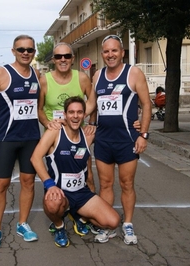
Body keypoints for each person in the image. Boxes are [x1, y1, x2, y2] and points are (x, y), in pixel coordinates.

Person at [31, 96, 120, 248]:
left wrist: (138, 127)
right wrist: (50, 184)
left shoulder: (88, 135)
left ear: (84, 115)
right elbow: (35, 158)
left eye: (79, 112)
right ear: (65, 114)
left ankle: (78, 215)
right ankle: (59, 226)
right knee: (53, 204)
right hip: (60, 192)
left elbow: (114, 129)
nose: (75, 116)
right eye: (71, 112)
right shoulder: (55, 132)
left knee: (113, 222)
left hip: (81, 193)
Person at [0, 35, 40, 251]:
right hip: (6, 138)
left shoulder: (36, 73)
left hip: (31, 138)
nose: (26, 53)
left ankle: (22, 224)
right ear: (13, 51)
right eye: (21, 49)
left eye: (30, 50)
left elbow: (39, 109)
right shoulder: (1, 73)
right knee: (1, 185)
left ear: (34, 52)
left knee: (28, 182)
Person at [91, 35, 151, 244]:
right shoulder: (98, 75)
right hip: (103, 141)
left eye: (114, 50)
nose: (110, 55)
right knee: (105, 185)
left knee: (127, 184)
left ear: (122, 52)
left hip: (127, 140)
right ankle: (107, 226)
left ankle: (128, 224)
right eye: (106, 51)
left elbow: (146, 104)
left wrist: (143, 134)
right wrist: (70, 117)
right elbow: (91, 105)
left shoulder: (133, 73)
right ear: (102, 54)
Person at [37, 42, 97, 236]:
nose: (63, 59)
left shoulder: (81, 77)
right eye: (58, 56)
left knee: (86, 175)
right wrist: (48, 124)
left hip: (78, 135)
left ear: (72, 58)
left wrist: (86, 121)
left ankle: (80, 214)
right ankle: (58, 217)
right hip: (55, 135)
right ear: (53, 60)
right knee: (57, 175)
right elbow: (39, 109)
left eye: (67, 56)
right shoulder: (44, 80)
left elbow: (93, 100)